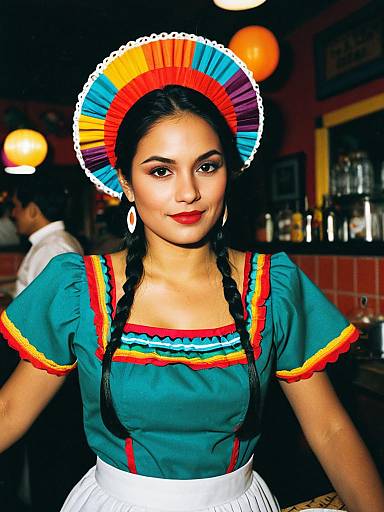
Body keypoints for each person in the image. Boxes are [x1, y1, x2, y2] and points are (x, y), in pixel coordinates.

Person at [0, 33, 383, 512]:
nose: (188, 193)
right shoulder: (78, 288)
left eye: (207, 166)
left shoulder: (271, 288)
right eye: (161, 171)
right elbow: (10, 410)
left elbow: (329, 429)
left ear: (230, 173)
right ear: (126, 183)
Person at [11, 175, 84, 297]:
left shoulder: (51, 248)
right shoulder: (54, 242)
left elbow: (47, 307)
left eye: (16, 206)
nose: (13, 213)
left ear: (32, 210)